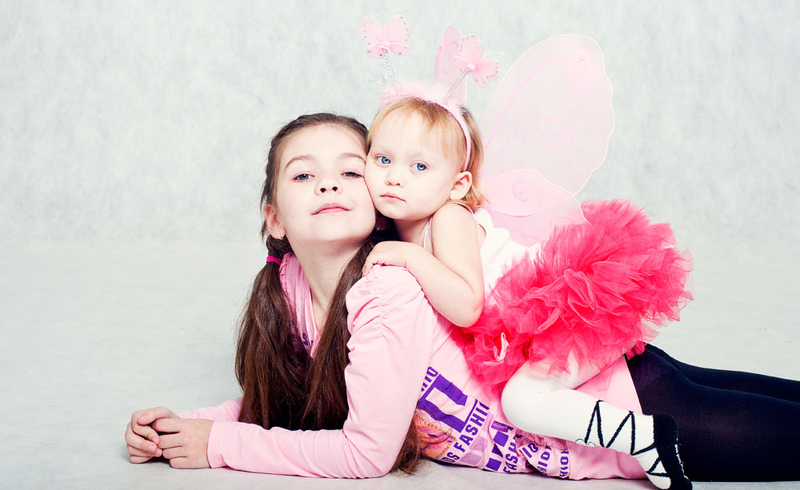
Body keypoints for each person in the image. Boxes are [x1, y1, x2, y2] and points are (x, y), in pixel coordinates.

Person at [125, 113, 800, 486]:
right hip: (599, 394)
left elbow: (364, 453)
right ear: (273, 217)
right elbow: (294, 399)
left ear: (378, 198)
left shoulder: (388, 286)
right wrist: (189, 425)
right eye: (303, 176)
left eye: (350, 170)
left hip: (617, 408)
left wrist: (222, 445)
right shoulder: (291, 289)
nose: (328, 184)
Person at [362, 95, 691, 489]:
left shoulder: (448, 218)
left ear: (458, 185)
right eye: (383, 160)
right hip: (546, 323)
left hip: (574, 310)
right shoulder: (404, 225)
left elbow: (467, 305)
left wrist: (408, 256)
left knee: (523, 401)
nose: (394, 177)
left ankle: (645, 438)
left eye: (419, 166)